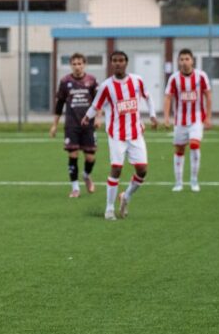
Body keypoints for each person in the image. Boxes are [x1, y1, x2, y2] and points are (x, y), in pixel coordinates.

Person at [82, 51, 158, 221]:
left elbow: (148, 97)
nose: (118, 63)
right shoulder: (106, 86)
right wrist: (87, 117)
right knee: (116, 168)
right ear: (111, 64)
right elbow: (96, 105)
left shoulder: (137, 81)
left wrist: (152, 115)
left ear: (126, 62)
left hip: (136, 134)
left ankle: (126, 196)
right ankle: (109, 208)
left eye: (121, 60)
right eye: (115, 61)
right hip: (116, 135)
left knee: (142, 170)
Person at [50, 53, 99, 197]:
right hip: (71, 125)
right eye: (74, 64)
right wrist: (54, 125)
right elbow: (59, 105)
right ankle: (75, 187)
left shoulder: (91, 80)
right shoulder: (65, 81)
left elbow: (98, 102)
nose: (77, 66)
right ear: (71, 65)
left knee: (90, 157)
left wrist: (98, 118)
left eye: (80, 63)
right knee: (73, 154)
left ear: (84, 64)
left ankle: (86, 175)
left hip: (88, 124)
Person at [163, 48, 212, 193]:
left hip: (196, 119)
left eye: (187, 59)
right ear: (178, 62)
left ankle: (194, 181)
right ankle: (178, 183)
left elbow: (208, 96)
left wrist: (208, 117)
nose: (184, 62)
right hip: (180, 121)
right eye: (182, 59)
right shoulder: (174, 78)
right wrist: (166, 117)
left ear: (192, 60)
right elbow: (168, 97)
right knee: (179, 150)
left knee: (195, 146)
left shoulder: (201, 76)